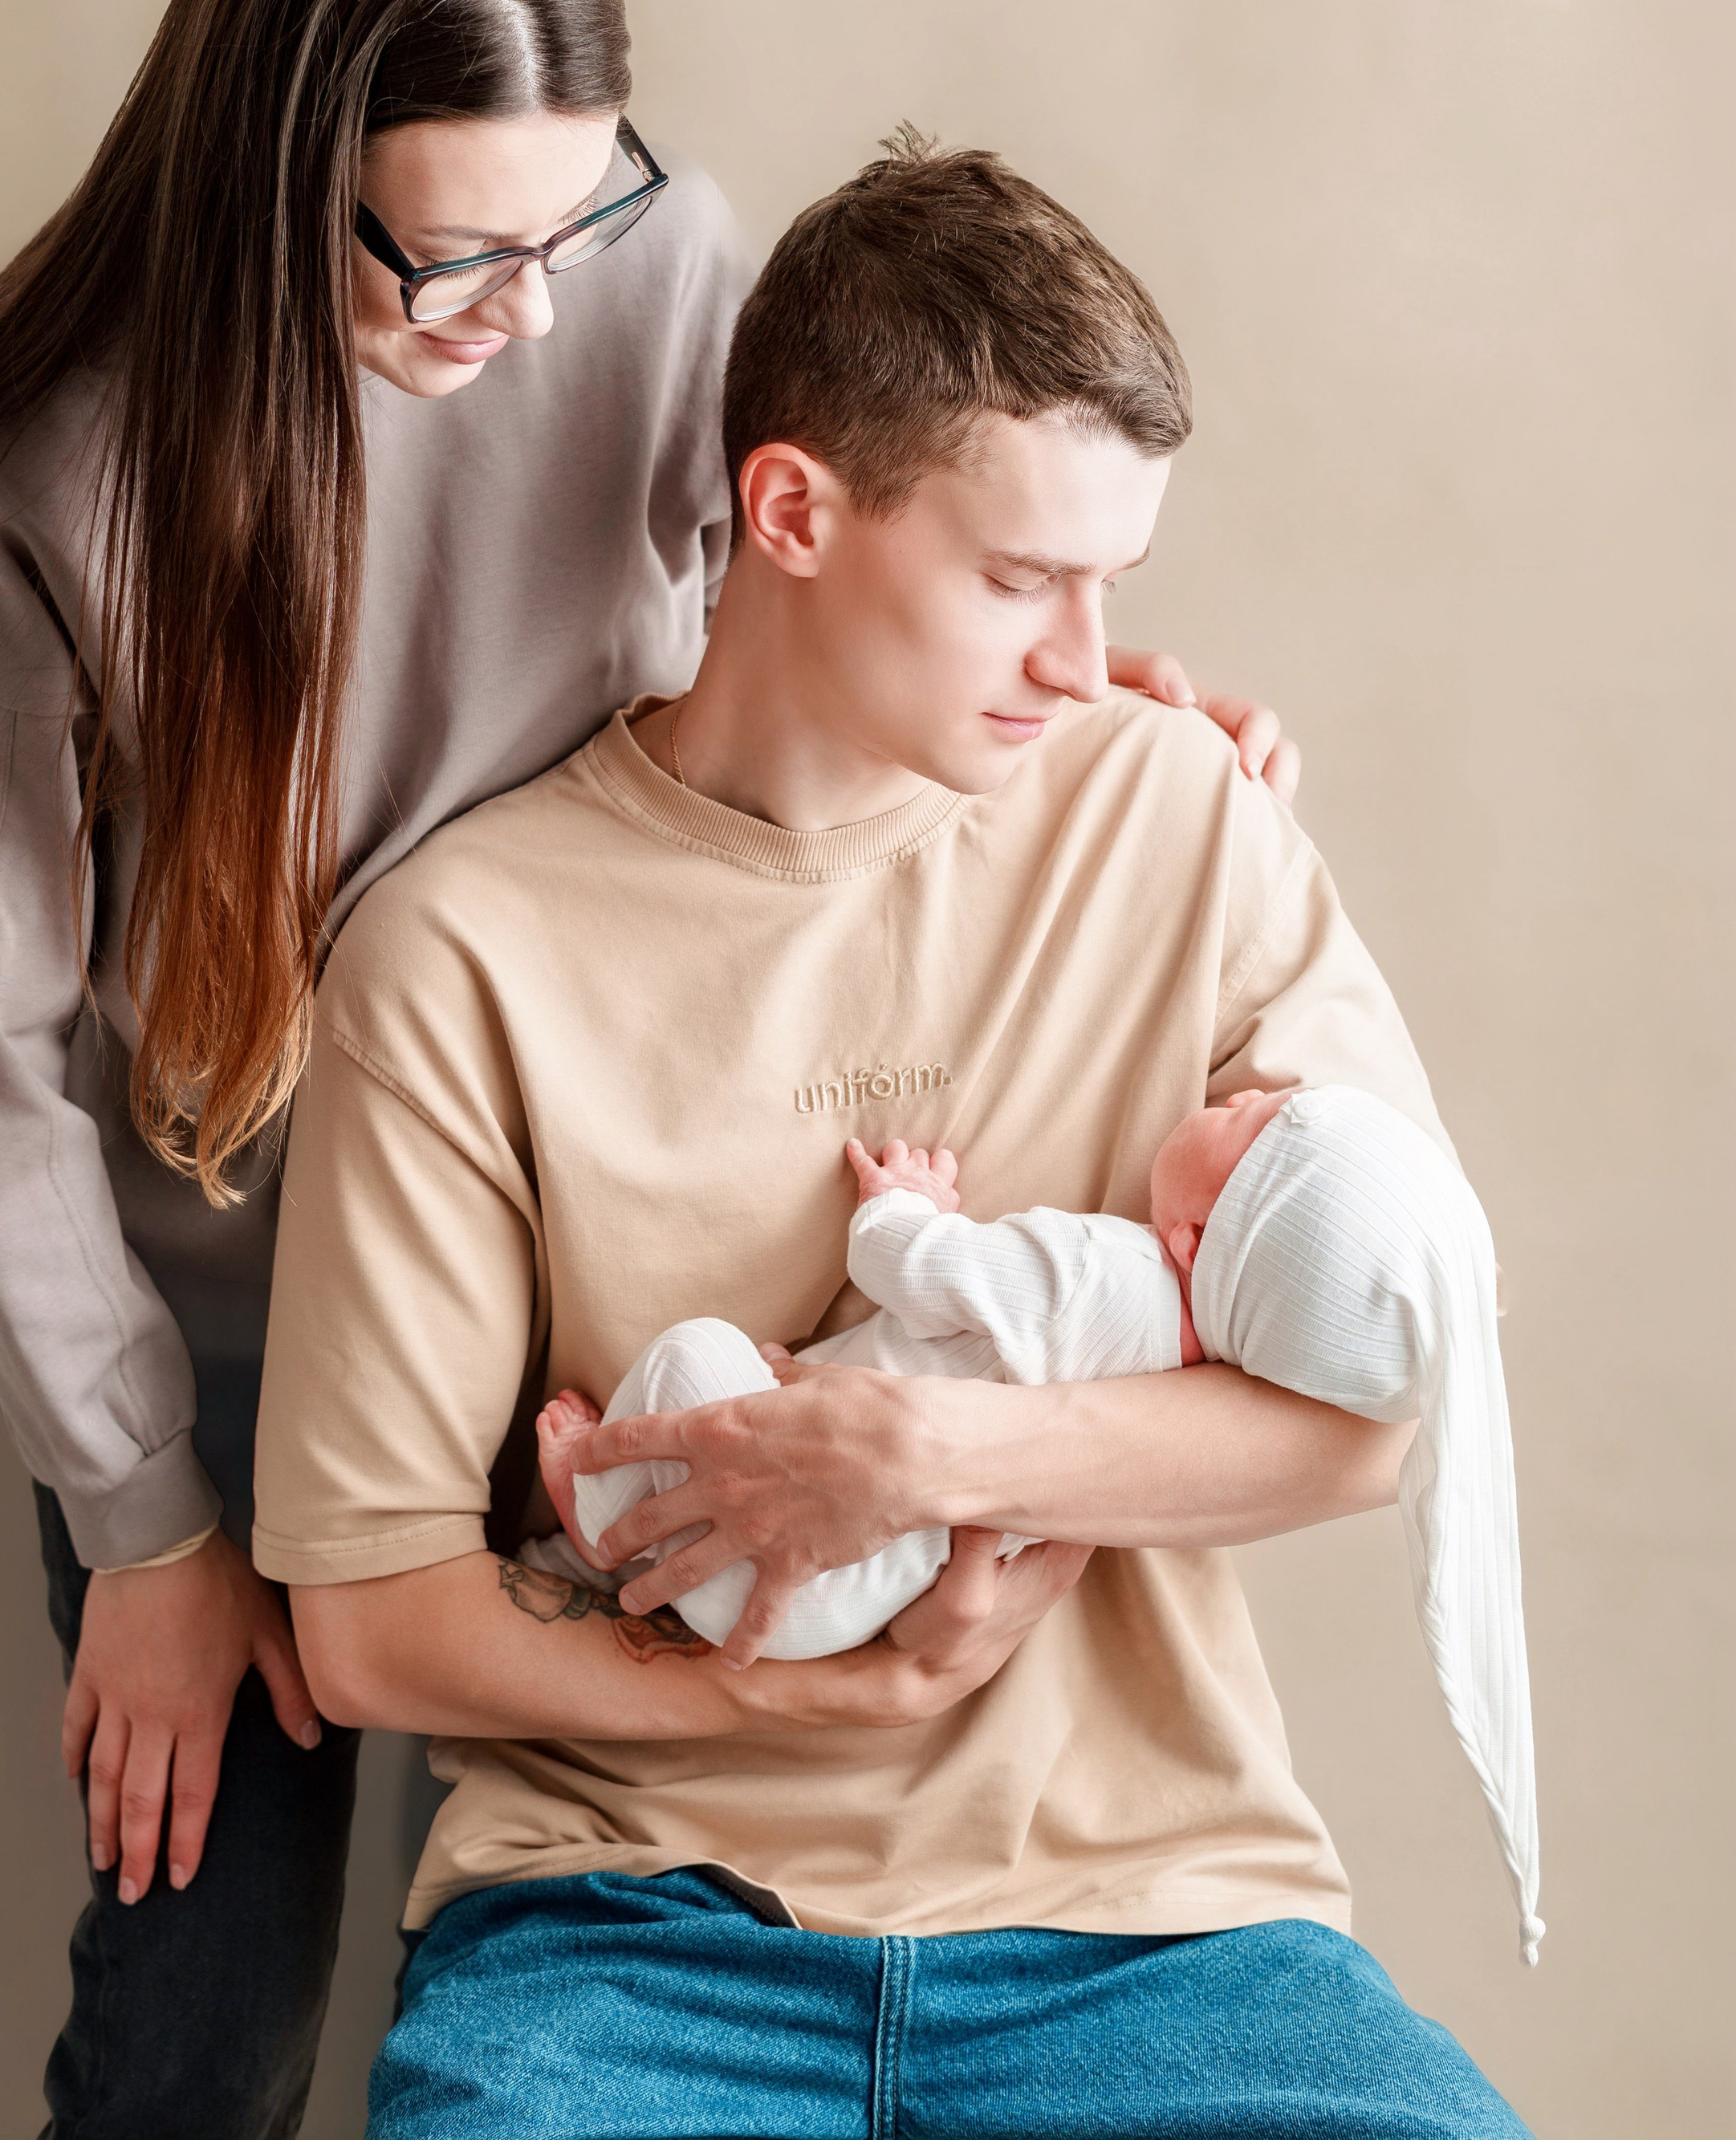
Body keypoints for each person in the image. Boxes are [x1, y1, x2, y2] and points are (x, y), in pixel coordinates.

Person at [0, 0, 1272, 2140]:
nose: (545, 314)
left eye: (580, 218)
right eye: (463, 255)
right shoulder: (9, 513)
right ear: (273, 191)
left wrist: (1070, 688)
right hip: (224, 1356)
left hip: (592, 1241)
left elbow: (833, 570)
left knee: (554, 1918)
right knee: (208, 2010)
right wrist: (144, 1523)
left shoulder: (641, 261)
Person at [254, 135, 1531, 2136]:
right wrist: (789, 1690)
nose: (1081, 659)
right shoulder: (457, 954)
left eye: (1108, 585)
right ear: (791, 511)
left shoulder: (1180, 820)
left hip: (1156, 1927)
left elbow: (1378, 1410)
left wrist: (923, 1454)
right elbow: (367, 1617)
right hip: (625, 1935)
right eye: (1017, 580)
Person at [539, 1083, 1543, 1966]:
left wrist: (905, 1203)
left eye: (1251, 1121)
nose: (1242, 1093)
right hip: (844, 1618)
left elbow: (907, 1266)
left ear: (1196, 1239)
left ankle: (598, 1510)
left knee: (692, 1355)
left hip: (784, 1574)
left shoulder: (1094, 1268)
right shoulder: (1178, 1387)